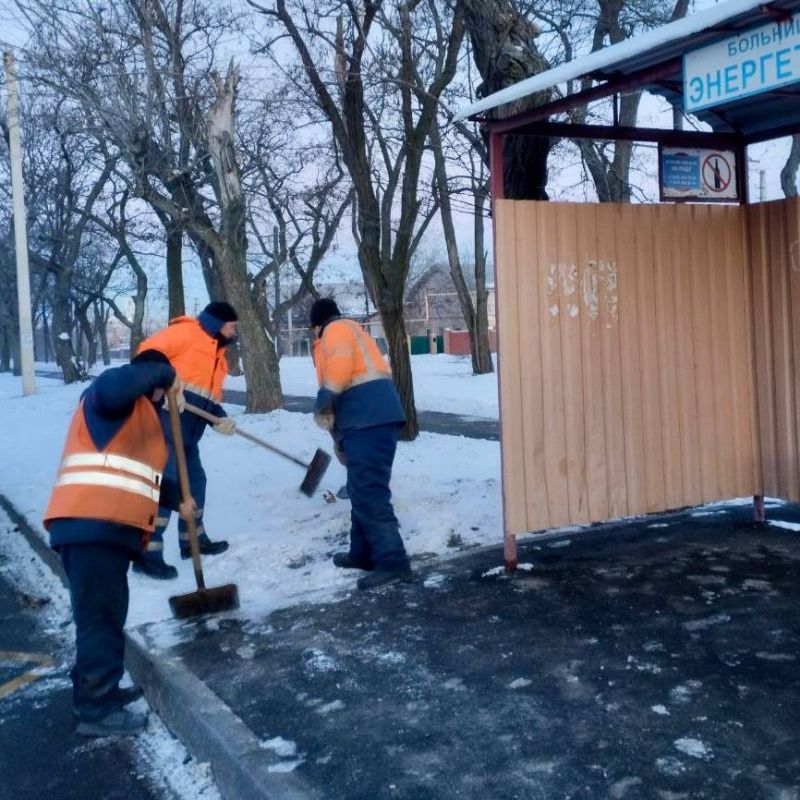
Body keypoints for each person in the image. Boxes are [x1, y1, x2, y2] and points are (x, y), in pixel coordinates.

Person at [43, 351, 196, 737]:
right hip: (90, 525)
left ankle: (101, 691)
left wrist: (177, 498)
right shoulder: (111, 397)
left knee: (105, 617)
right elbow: (113, 385)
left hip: (103, 531)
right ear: (151, 379)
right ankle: (95, 710)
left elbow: (139, 477)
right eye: (160, 388)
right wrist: (164, 371)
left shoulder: (138, 417)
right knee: (99, 619)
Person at [310, 297, 413, 590]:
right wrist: (339, 435)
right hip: (365, 418)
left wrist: (324, 397)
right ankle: (362, 553)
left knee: (370, 491)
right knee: (360, 488)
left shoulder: (336, 329)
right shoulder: (350, 330)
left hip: (369, 417)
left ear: (316, 325)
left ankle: (393, 562)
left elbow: (339, 367)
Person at [132, 302, 238, 579]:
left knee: (196, 485)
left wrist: (220, 418)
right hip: (163, 430)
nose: (234, 331)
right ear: (218, 323)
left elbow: (206, 399)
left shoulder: (218, 357)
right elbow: (146, 353)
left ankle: (193, 541)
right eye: (231, 326)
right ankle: (147, 554)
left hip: (188, 436)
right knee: (165, 489)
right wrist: (168, 381)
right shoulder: (186, 333)